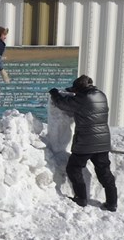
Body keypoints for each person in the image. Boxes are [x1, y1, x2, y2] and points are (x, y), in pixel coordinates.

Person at [49, 75, 117, 211]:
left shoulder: (83, 98)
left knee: (73, 168)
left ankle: (81, 198)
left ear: (80, 89)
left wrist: (54, 93)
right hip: (103, 142)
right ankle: (112, 203)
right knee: (104, 172)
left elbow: (63, 103)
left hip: (86, 142)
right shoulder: (101, 95)